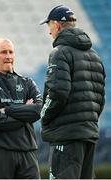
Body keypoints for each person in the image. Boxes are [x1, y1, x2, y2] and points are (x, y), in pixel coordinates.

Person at [40, 5, 106, 179]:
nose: (49, 32)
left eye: (50, 26)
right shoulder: (95, 56)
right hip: (88, 134)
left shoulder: (59, 53)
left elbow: (57, 93)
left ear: (58, 25)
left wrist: (44, 116)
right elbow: (100, 100)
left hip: (66, 135)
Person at [0, 38, 42, 179]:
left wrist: (7, 110)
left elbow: (37, 111)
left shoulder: (28, 83)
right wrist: (25, 112)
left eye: (11, 52)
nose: (8, 56)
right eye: (3, 52)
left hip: (27, 150)